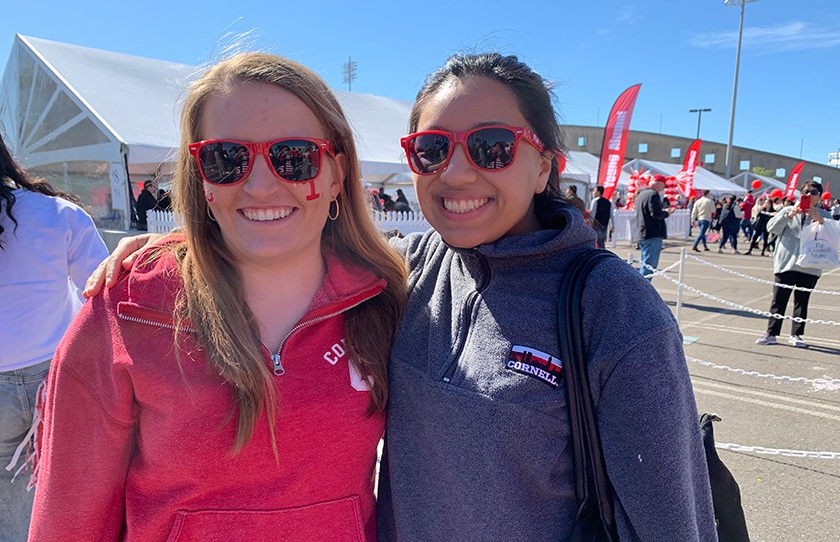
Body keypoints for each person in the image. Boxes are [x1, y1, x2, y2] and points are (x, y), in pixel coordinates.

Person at [87, 53, 717, 541]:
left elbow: (672, 519)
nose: (457, 173)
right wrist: (169, 253)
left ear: (546, 164)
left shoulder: (612, 308)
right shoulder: (401, 273)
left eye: (491, 147)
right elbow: (280, 236)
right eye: (432, 149)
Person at [30, 53, 408, 541]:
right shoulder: (125, 309)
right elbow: (68, 518)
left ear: (336, 173)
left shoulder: (387, 301)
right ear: (200, 176)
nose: (260, 185)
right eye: (226, 159)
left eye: (294, 157)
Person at [0, 132, 108, 540]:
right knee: (67, 482)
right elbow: (100, 294)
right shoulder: (58, 213)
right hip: (58, 377)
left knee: (8, 504)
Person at [755, 180, 830, 348]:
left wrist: (820, 220)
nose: (808, 195)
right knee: (779, 299)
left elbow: (834, 234)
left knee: (802, 301)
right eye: (805, 192)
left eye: (813, 193)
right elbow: (771, 228)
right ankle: (771, 333)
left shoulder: (825, 215)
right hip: (786, 262)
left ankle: (796, 334)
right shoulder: (788, 210)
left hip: (810, 264)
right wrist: (789, 215)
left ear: (819, 197)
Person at [634, 174, 673, 279]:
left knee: (645, 264)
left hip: (642, 232)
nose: (663, 189)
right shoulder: (653, 195)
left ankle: (641, 289)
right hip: (653, 233)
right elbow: (655, 214)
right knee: (649, 267)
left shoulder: (642, 194)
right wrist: (667, 213)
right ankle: (642, 291)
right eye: (663, 186)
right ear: (660, 184)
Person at [588, 184, 611, 249]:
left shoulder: (595, 200)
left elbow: (592, 213)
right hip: (604, 224)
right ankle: (603, 254)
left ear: (598, 192)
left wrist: (590, 225)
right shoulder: (608, 202)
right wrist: (612, 225)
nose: (593, 192)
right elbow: (611, 214)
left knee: (594, 242)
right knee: (601, 242)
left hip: (596, 224)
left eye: (594, 191)